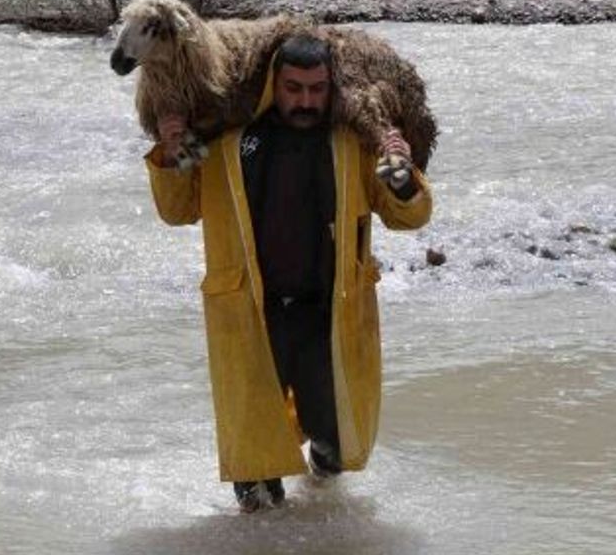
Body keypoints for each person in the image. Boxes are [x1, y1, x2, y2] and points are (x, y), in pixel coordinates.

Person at [144, 33, 433, 512]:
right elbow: (180, 209)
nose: (305, 100)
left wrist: (402, 180)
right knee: (255, 475)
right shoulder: (229, 141)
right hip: (252, 315)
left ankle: (320, 492)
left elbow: (408, 217)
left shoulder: (352, 143)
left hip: (328, 314)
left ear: (332, 87)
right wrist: (173, 152)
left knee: (339, 445)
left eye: (317, 89)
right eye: (294, 88)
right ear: (273, 84)